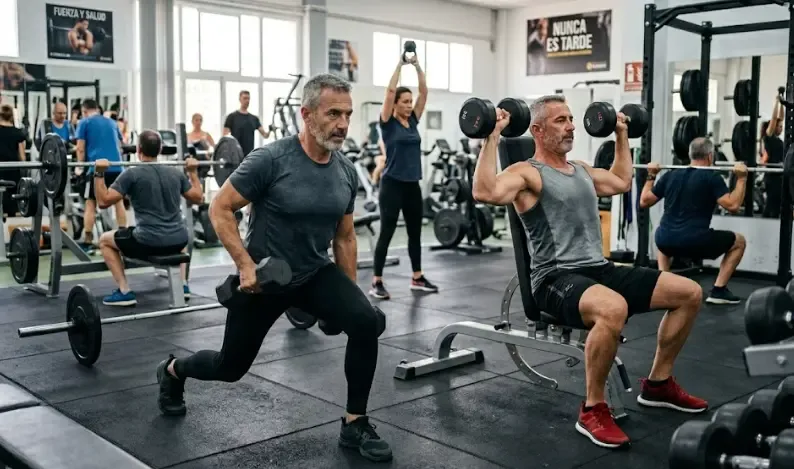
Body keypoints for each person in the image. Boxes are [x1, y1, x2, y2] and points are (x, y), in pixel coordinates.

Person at [154, 74, 392, 463]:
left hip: (314, 272)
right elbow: (220, 208)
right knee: (229, 367)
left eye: (347, 114)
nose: (343, 124)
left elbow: (345, 237)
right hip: (265, 277)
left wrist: (351, 296)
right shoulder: (271, 159)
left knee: (365, 320)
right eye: (333, 113)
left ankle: (355, 422)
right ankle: (173, 370)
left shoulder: (345, 171)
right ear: (307, 115)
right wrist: (244, 265)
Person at [472, 95, 707, 449]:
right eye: (560, 121)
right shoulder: (526, 173)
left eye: (570, 118)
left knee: (688, 293)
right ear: (536, 129)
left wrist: (622, 135)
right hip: (554, 279)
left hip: (598, 269)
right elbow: (484, 191)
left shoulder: (580, 168)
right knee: (613, 308)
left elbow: (621, 181)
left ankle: (658, 384)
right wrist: (492, 135)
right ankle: (593, 408)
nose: (570, 126)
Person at [94, 130, 202, 305]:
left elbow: (103, 201)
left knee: (105, 240)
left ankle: (124, 291)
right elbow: (198, 197)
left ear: (138, 150)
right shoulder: (176, 173)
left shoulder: (132, 174)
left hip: (148, 241)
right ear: (160, 150)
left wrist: (99, 173)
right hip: (179, 239)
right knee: (175, 233)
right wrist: (193, 172)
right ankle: (182, 286)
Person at [639, 138, 747, 305]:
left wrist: (651, 175)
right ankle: (718, 290)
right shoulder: (712, 178)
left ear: (690, 155)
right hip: (694, 242)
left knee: (666, 233)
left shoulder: (670, 175)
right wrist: (741, 178)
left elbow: (644, 201)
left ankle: (664, 284)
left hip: (664, 241)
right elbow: (733, 205)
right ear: (710, 156)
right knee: (739, 242)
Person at [369, 54, 438, 300]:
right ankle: (376, 281)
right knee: (387, 232)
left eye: (411, 101)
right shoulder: (387, 123)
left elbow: (425, 91)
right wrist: (400, 64)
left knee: (415, 234)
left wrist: (417, 66)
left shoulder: (414, 122)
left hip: (412, 186)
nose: (409, 105)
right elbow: (389, 90)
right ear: (395, 104)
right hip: (392, 185)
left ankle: (417, 277)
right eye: (405, 101)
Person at [75, 99, 128, 246]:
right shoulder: (112, 122)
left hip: (96, 168)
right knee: (118, 201)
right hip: (117, 167)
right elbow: (120, 145)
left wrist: (79, 167)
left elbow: (80, 148)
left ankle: (87, 240)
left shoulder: (84, 123)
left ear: (84, 111)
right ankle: (123, 235)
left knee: (90, 203)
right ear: (97, 109)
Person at [223, 90, 270, 156]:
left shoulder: (254, 118)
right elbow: (225, 138)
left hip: (249, 155)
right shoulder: (232, 117)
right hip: (235, 155)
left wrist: (270, 130)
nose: (247, 101)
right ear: (240, 99)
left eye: (248, 99)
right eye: (245, 98)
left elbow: (265, 135)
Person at [762, 95, 786, 218]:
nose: (781, 129)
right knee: (771, 205)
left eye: (782, 126)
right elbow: (774, 118)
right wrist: (776, 102)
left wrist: (782, 102)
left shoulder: (778, 140)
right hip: (772, 177)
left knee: (777, 205)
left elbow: (781, 117)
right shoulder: (769, 137)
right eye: (779, 126)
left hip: (779, 176)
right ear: (773, 126)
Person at [0, 104, 25, 217]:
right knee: (12, 194)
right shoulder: (17, 133)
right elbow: (22, 156)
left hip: (1, 167)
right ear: (11, 116)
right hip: (13, 168)